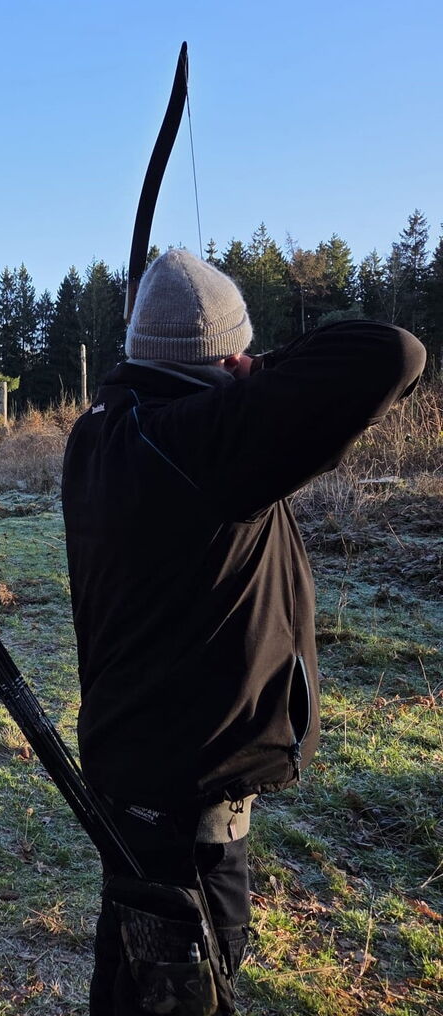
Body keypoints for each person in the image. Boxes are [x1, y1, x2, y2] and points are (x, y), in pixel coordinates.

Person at [60, 249, 426, 1015]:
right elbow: (393, 352)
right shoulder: (208, 444)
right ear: (225, 355)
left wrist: (213, 366)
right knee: (187, 987)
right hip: (188, 797)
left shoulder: (100, 432)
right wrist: (258, 363)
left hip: (134, 770)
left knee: (133, 972)